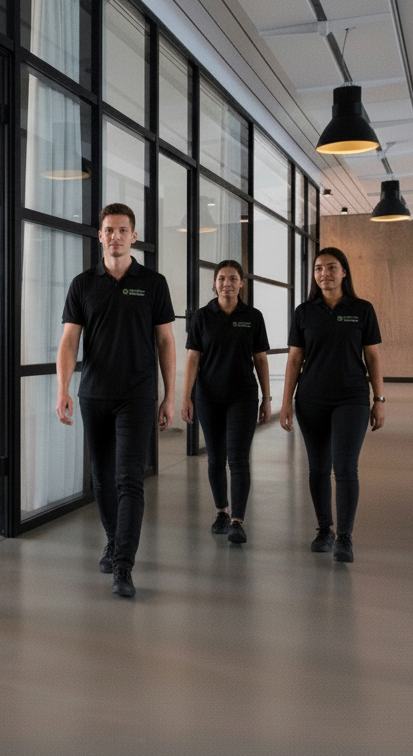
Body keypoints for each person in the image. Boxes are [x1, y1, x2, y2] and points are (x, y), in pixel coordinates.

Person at [56, 203, 176, 598]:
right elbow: (70, 341)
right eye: (109, 230)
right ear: (100, 236)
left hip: (138, 394)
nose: (116, 236)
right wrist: (62, 390)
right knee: (101, 479)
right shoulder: (83, 283)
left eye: (123, 230)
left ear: (133, 236)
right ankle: (112, 540)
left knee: (129, 479)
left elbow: (165, 341)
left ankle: (123, 564)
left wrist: (169, 395)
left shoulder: (153, 283)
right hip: (94, 394)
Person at [280, 247, 385, 563]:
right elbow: (295, 358)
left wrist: (379, 400)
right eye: (318, 268)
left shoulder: (362, 310)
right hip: (311, 399)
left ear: (344, 272)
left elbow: (373, 356)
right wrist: (285, 402)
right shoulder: (304, 312)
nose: (324, 273)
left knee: (345, 467)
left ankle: (345, 537)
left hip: (351, 398)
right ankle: (324, 529)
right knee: (318, 468)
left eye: (331, 267)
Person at [181, 260, 272, 545]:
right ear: (214, 283)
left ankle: (237, 521)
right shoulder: (202, 316)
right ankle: (222, 511)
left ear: (242, 284)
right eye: (222, 278)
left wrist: (266, 399)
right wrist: (185, 396)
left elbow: (260, 359)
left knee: (239, 458)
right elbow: (193, 357)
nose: (227, 284)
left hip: (243, 396)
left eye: (233, 278)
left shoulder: (253, 317)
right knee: (216, 458)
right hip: (208, 396)